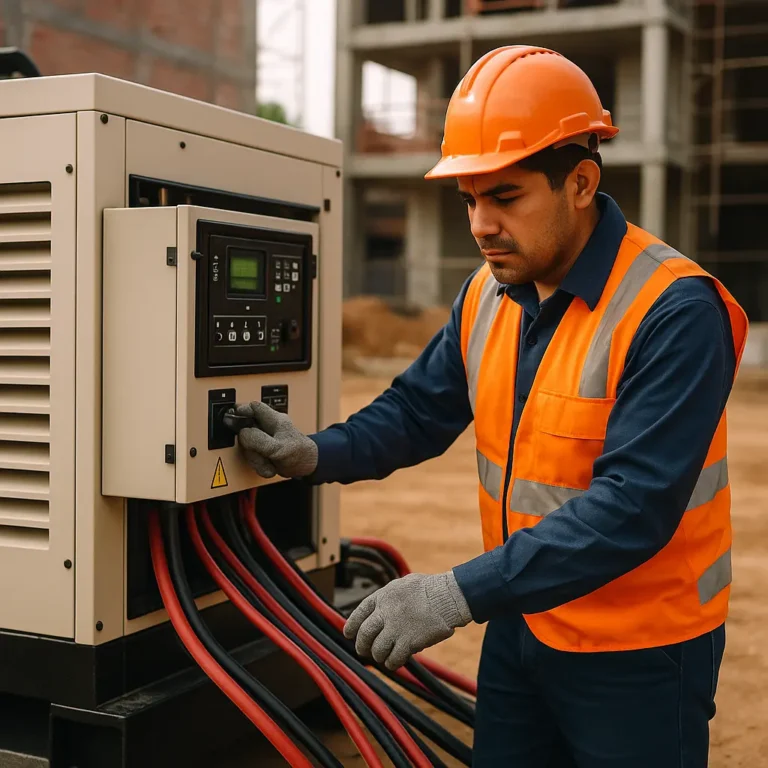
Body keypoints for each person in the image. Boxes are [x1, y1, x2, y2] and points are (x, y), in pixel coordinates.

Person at [233, 46, 749, 767]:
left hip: (640, 651)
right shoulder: (487, 295)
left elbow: (634, 505)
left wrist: (454, 594)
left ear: (580, 182)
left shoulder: (673, 309)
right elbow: (417, 412)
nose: (480, 225)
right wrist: (316, 453)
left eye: (504, 197)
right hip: (523, 622)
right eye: (469, 199)